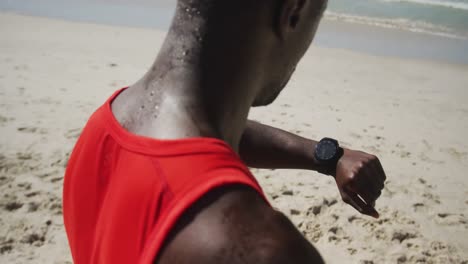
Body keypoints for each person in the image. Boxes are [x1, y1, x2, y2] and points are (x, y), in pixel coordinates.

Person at [63, 0, 387, 263]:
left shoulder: (106, 126)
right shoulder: (264, 250)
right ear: (295, 11)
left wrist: (327, 156)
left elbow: (206, 142)